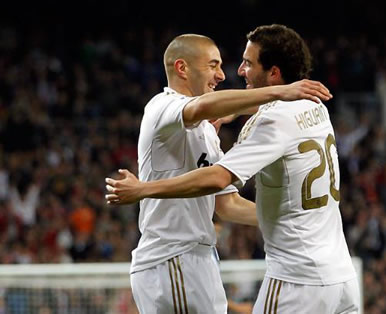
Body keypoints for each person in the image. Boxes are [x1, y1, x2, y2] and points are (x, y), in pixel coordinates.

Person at [106, 25, 359, 313]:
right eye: (214, 66)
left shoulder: (212, 132)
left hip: (214, 261)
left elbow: (225, 205)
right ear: (182, 68)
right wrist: (276, 93)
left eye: (247, 64)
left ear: (274, 72)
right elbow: (201, 108)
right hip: (172, 256)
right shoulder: (161, 106)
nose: (227, 74)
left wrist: (290, 218)